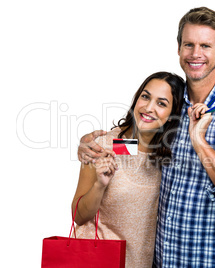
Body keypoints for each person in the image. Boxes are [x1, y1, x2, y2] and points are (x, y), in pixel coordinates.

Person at [78, 7, 215, 268]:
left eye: (206, 45)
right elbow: (139, 152)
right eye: (188, 44)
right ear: (179, 48)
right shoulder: (171, 107)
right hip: (164, 261)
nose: (195, 54)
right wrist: (95, 148)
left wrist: (200, 144)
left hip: (214, 262)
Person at [71, 71, 185, 268]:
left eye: (161, 103)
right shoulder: (105, 146)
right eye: (145, 96)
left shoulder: (167, 158)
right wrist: (99, 185)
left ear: (173, 115)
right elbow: (78, 217)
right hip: (97, 262)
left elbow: (142, 152)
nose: (148, 108)